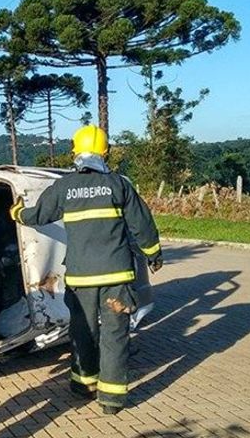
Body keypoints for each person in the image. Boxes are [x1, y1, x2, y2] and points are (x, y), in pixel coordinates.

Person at [10, 125, 162, 415]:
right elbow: (142, 225)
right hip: (117, 279)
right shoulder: (119, 185)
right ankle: (112, 400)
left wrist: (17, 212)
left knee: (83, 332)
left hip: (81, 279)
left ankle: (83, 385)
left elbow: (38, 215)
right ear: (106, 153)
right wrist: (154, 254)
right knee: (115, 335)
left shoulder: (64, 188)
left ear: (75, 153)